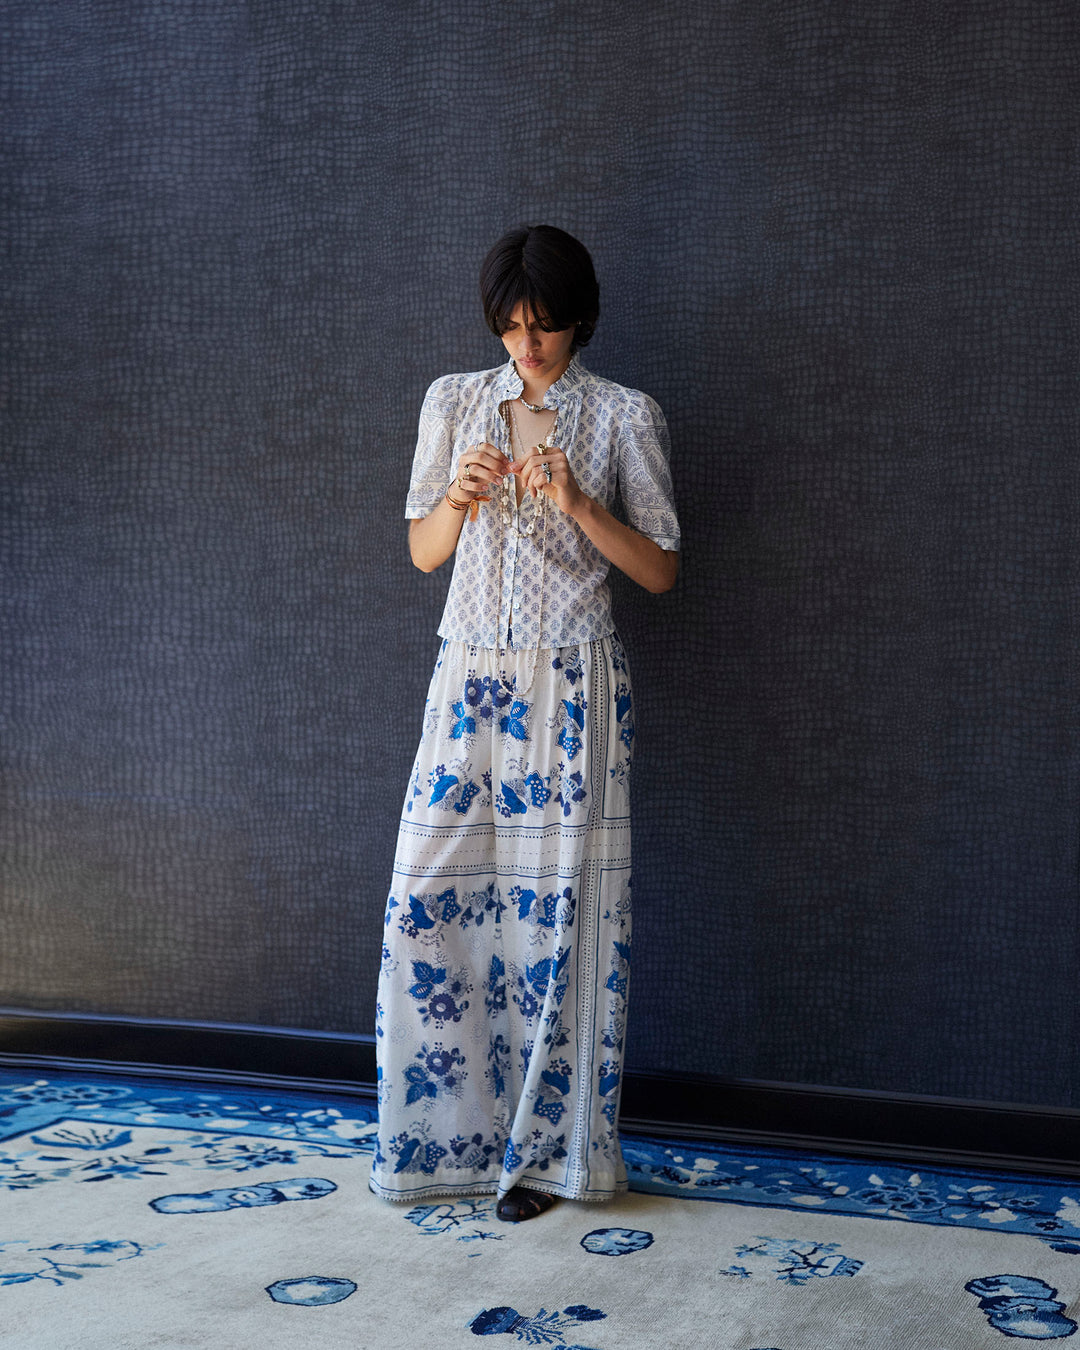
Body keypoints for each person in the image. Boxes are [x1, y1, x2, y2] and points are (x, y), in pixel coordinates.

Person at [371, 224, 680, 1222]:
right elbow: (423, 553)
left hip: (573, 688)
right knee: (427, 899)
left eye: (544, 325)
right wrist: (455, 504)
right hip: (466, 680)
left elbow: (660, 569)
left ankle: (549, 1162)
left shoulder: (626, 416)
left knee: (562, 924)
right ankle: (444, 1143)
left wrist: (582, 505)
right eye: (511, 325)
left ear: (578, 319)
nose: (528, 344)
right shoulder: (453, 401)